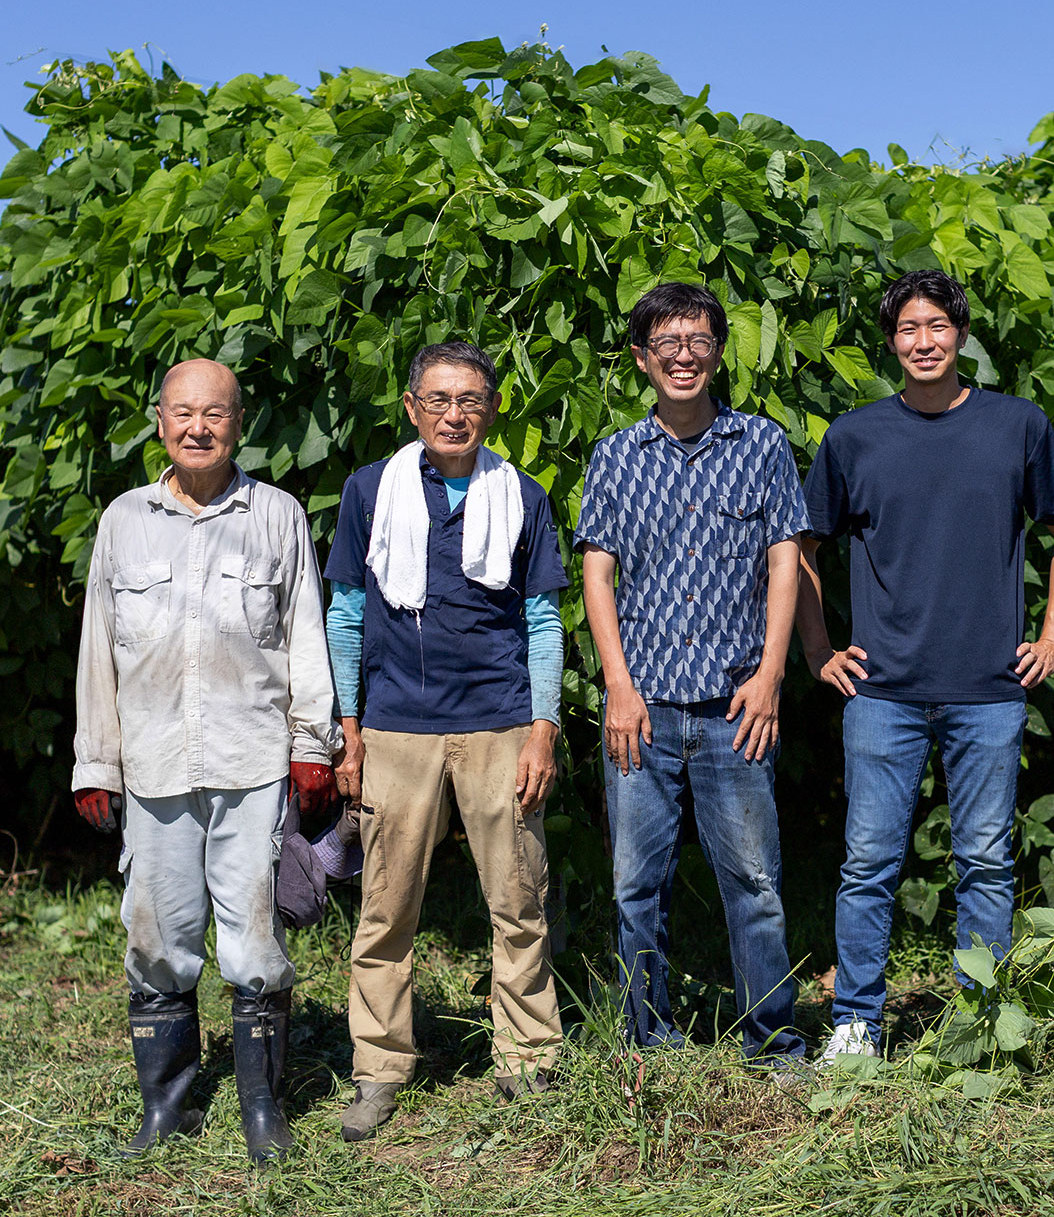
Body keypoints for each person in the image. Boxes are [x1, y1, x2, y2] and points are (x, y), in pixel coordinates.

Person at [796, 270, 1054, 1062]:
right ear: (890, 342)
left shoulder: (1017, 426)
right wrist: (817, 649)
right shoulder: (854, 437)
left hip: (989, 690)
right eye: (907, 329)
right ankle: (857, 1024)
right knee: (868, 864)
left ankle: (980, 1024)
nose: (922, 342)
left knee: (986, 864)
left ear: (961, 334)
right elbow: (803, 548)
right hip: (882, 690)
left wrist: (1053, 637)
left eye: (936, 326)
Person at [71, 358, 341, 1163]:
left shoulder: (277, 514)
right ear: (160, 421)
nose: (198, 428)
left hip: (252, 761)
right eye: (183, 413)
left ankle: (263, 1112)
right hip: (153, 764)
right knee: (157, 935)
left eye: (214, 414)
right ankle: (168, 1108)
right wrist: (96, 763)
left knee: (254, 941)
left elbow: (305, 635)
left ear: (239, 422)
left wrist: (312, 746)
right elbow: (97, 648)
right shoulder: (124, 520)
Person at [324, 341, 567, 1141]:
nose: (453, 414)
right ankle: (378, 1071)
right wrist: (349, 730)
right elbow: (347, 614)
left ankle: (529, 1061)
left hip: (501, 724)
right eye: (438, 399)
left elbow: (542, 621)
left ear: (492, 408)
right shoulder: (371, 490)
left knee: (518, 902)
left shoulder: (521, 495)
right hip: (396, 728)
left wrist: (542, 730)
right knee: (385, 910)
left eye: (469, 400)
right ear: (411, 407)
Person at [576, 282, 809, 1071]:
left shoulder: (762, 445)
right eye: (667, 343)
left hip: (735, 705)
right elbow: (598, 575)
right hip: (641, 707)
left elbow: (786, 562)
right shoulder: (616, 456)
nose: (684, 356)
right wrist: (617, 685)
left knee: (755, 883)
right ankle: (649, 1041)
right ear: (641, 358)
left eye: (698, 340)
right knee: (636, 886)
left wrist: (771, 674)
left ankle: (772, 1042)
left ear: (717, 350)